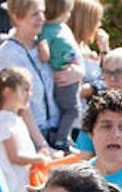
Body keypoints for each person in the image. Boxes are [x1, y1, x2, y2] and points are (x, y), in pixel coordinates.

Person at [0, 0, 60, 153]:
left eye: (43, 12)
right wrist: (43, 145)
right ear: (17, 17)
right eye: (35, 14)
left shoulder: (43, 47)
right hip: (31, 134)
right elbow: (20, 104)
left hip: (55, 128)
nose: (42, 18)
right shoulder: (9, 53)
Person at [39, 0, 85, 147]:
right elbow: (44, 54)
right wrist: (44, 51)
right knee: (72, 110)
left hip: (71, 74)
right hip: (62, 78)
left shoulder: (63, 28)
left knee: (71, 110)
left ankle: (65, 136)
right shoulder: (46, 30)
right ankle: (61, 139)